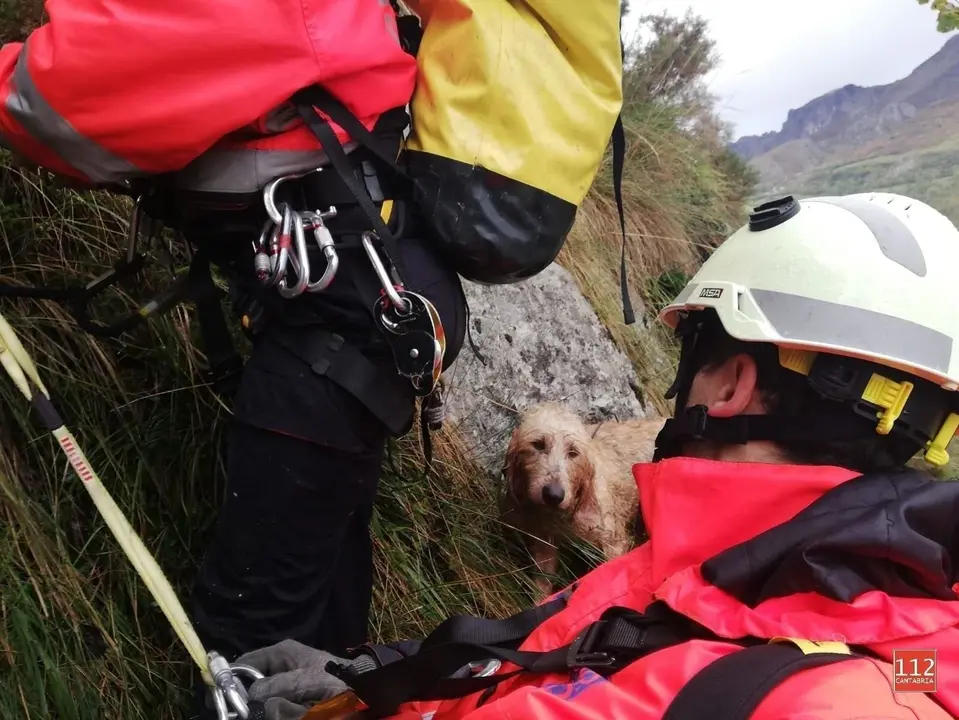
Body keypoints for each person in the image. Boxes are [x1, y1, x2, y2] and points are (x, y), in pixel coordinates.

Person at [236, 192, 959, 720]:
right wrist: (371, 679)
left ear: (731, 384)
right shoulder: (690, 578)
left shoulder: (812, 696)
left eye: (692, 351)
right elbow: (535, 666)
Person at [0, 0, 466, 703]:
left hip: (338, 324)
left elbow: (49, 104)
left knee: (251, 650)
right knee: (321, 613)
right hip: (367, 305)